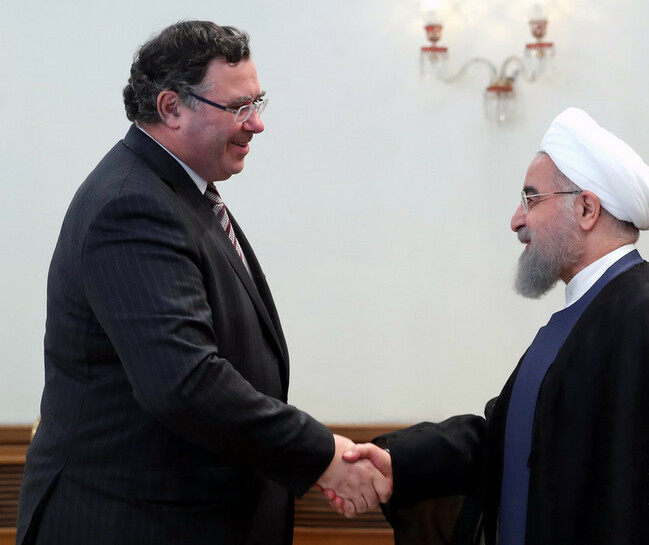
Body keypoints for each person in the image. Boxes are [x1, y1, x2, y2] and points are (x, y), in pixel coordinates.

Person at [16, 20, 390, 545]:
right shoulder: (133, 205)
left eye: (258, 102)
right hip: (131, 522)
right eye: (238, 107)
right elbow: (184, 382)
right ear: (171, 107)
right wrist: (323, 456)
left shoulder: (177, 192)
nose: (256, 124)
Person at [332, 108, 649, 544]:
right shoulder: (584, 314)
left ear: (586, 208)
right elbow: (508, 434)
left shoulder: (646, 316)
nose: (516, 220)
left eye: (531, 200)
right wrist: (399, 462)